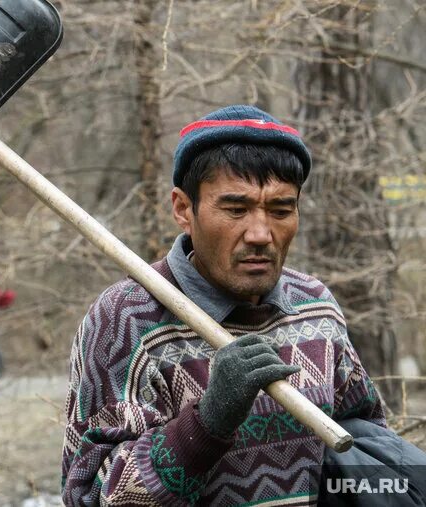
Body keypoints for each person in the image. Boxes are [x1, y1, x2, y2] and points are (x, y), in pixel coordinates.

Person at [61, 105, 385, 506]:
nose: (261, 234)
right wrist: (207, 422)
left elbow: (369, 440)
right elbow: (88, 496)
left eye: (281, 210)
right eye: (236, 209)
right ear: (183, 209)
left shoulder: (314, 306)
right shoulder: (126, 318)